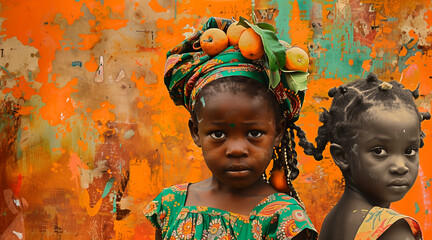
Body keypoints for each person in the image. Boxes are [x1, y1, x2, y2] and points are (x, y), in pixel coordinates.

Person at [143, 17, 318, 239]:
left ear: (278, 132)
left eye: (254, 133)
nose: (236, 149)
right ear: (196, 132)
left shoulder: (284, 220)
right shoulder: (171, 206)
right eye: (218, 134)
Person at [299, 73, 427, 240]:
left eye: (409, 151)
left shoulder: (334, 219)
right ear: (342, 156)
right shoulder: (392, 231)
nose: (401, 166)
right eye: (379, 151)